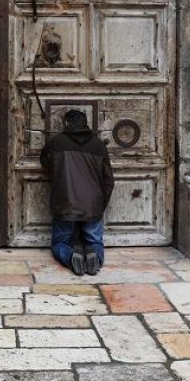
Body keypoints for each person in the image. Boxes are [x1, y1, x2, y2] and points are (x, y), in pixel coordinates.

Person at [40, 109, 115, 276]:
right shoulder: (98, 145)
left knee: (60, 242)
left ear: (66, 123)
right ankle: (94, 256)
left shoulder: (56, 143)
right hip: (92, 205)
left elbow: (45, 163)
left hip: (65, 204)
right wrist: (100, 205)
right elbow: (109, 180)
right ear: (85, 123)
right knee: (95, 241)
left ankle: (70, 257)